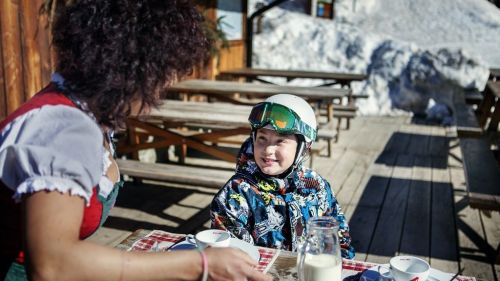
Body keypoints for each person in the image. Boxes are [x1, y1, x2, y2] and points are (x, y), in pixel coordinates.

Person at [0, 1, 272, 280]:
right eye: (161, 78)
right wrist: (200, 264)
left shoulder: (84, 111)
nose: (161, 93)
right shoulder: (64, 130)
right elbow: (53, 266)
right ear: (130, 69)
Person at [210, 94, 355, 259]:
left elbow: (340, 243)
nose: (268, 150)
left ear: (303, 147)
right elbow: (231, 258)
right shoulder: (236, 193)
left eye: (280, 141)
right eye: (262, 138)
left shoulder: (317, 187)